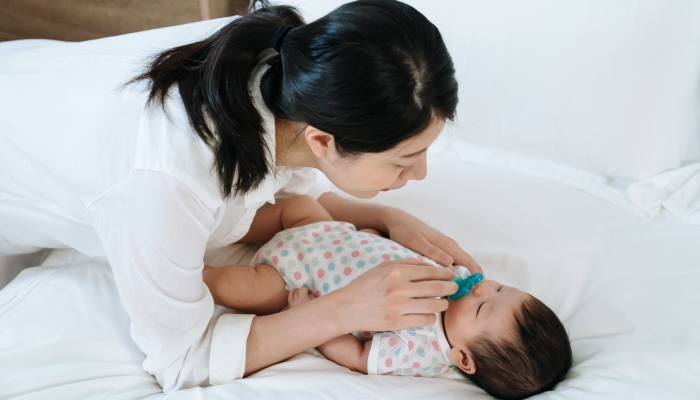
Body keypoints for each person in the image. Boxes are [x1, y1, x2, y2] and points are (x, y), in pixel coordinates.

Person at [0, 0, 482, 393]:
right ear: (322, 141)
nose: (420, 174)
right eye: (405, 160)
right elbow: (183, 362)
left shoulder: (281, 63)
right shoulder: (166, 182)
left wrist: (381, 214)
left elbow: (264, 191)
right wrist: (345, 309)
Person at [204, 195, 573, 400]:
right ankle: (214, 225)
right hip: (328, 234)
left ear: (463, 357)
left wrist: (312, 315)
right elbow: (407, 254)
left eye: (482, 306)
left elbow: (359, 356)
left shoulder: (424, 350)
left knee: (236, 287)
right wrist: (372, 236)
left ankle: (195, 270)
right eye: (500, 288)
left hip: (296, 279)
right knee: (296, 203)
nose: (482, 288)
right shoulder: (456, 280)